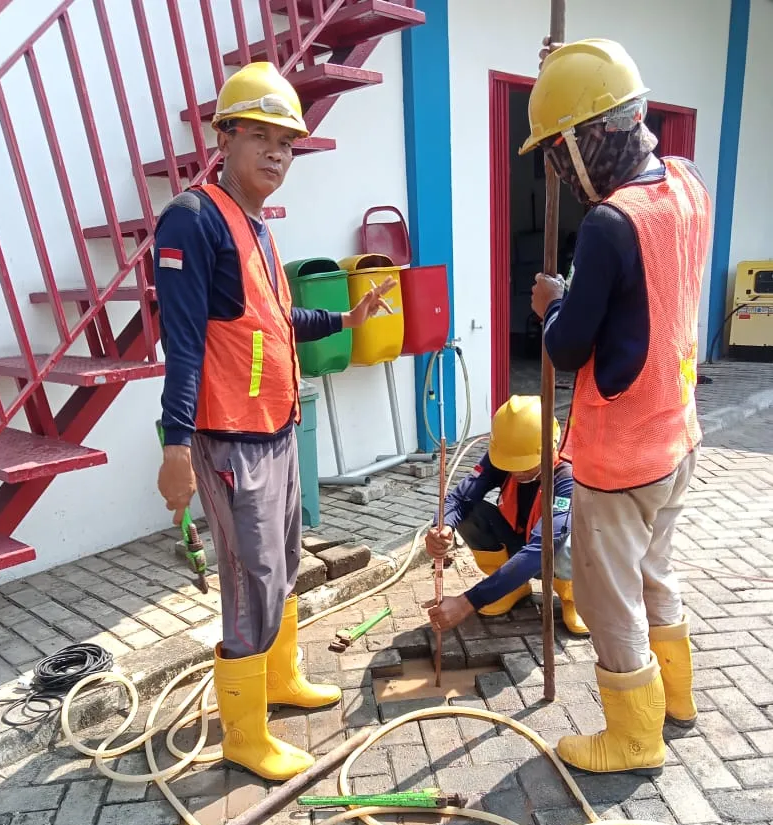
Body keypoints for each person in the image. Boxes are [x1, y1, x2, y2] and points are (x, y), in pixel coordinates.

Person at [154, 62, 394, 782]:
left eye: (286, 143)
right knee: (248, 578)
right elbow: (186, 342)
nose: (276, 153)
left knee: (283, 566)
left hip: (277, 428)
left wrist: (343, 319)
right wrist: (174, 448)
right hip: (229, 438)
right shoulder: (192, 221)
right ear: (224, 137)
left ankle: (281, 677)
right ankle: (244, 735)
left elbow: (269, 317)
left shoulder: (253, 224)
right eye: (259, 136)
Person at [522, 39, 711, 775]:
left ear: (594, 134)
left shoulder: (609, 224)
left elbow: (569, 347)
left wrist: (551, 304)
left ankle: (634, 738)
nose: (562, 172)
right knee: (657, 572)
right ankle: (678, 700)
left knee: (610, 600)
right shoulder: (687, 183)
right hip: (677, 438)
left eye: (562, 151)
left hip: (621, 456)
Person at [424, 395, 588, 637]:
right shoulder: (504, 455)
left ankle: (573, 597)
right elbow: (458, 499)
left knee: (569, 538)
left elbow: (541, 549)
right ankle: (511, 587)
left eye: (526, 464)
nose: (517, 471)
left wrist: (467, 602)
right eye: (511, 463)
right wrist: (442, 526)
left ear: (549, 446)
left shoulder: (568, 476)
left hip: (548, 551)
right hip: (520, 544)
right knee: (471, 512)